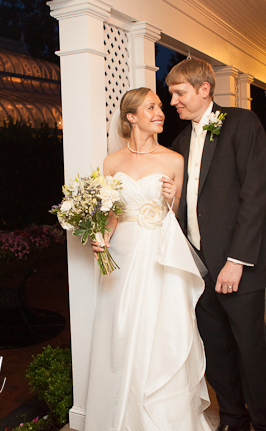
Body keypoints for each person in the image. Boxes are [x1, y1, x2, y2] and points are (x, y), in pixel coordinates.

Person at [86, 87, 214, 431]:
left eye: (160, 106)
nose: (160, 113)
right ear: (131, 117)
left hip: (159, 252)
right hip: (123, 256)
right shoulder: (112, 162)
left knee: (161, 329)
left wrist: (173, 199)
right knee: (122, 328)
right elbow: (112, 214)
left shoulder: (174, 160)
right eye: (151, 108)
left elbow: (178, 215)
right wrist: (102, 237)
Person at [168, 58, 266, 431]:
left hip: (238, 263)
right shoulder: (179, 142)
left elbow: (255, 195)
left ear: (204, 88)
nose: (173, 101)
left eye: (179, 93)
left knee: (251, 347)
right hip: (198, 266)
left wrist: (236, 261)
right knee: (216, 348)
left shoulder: (242, 123)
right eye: (171, 94)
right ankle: (234, 417)